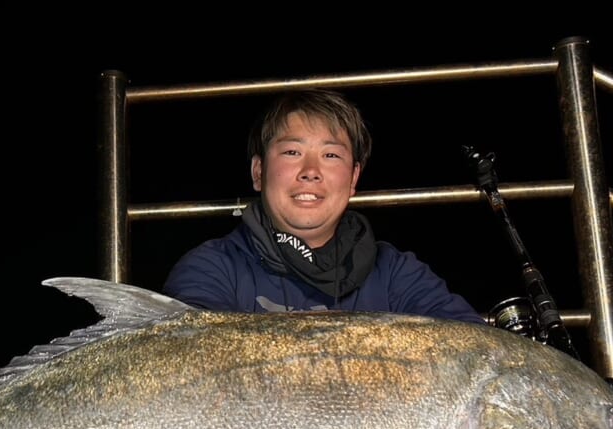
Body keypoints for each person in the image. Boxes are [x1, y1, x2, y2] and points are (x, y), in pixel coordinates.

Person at [162, 89, 483, 323]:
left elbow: (471, 349)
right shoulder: (212, 269)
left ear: (354, 177)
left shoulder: (396, 274)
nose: (311, 171)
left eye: (331, 155)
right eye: (291, 153)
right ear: (258, 172)